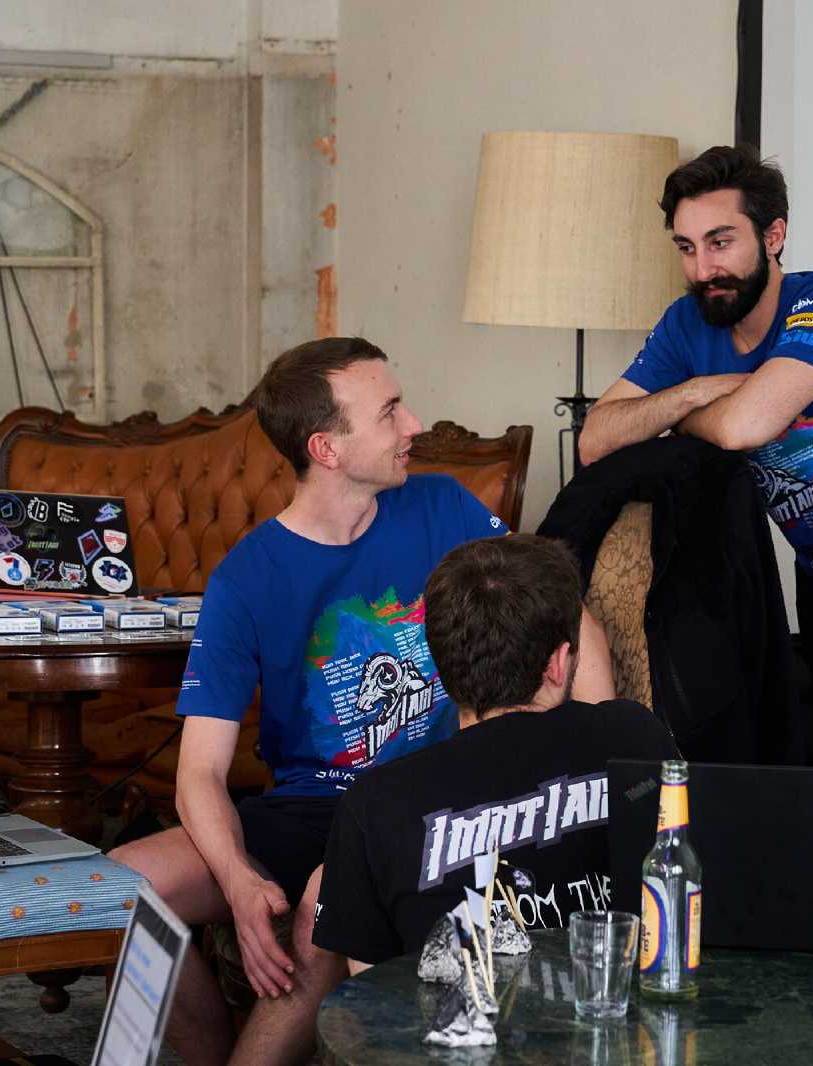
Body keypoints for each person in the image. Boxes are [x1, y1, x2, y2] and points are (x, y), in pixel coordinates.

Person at [108, 337, 614, 1066]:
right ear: (327, 448)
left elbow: (564, 609)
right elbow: (200, 774)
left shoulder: (441, 507)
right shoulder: (246, 578)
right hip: (309, 807)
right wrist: (240, 882)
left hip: (434, 795)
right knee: (119, 894)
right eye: (390, 412)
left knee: (326, 900)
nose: (415, 426)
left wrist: (592, 740)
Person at [579, 144, 813, 768]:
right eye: (687, 248)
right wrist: (698, 391)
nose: (704, 268)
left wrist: (678, 416)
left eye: (721, 242)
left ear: (774, 235)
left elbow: (746, 426)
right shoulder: (686, 324)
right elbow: (595, 438)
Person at [313, 534, 680, 971]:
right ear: (559, 662)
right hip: (618, 1007)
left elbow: (372, 995)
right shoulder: (634, 734)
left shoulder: (373, 805)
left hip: (456, 1015)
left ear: (441, 663)